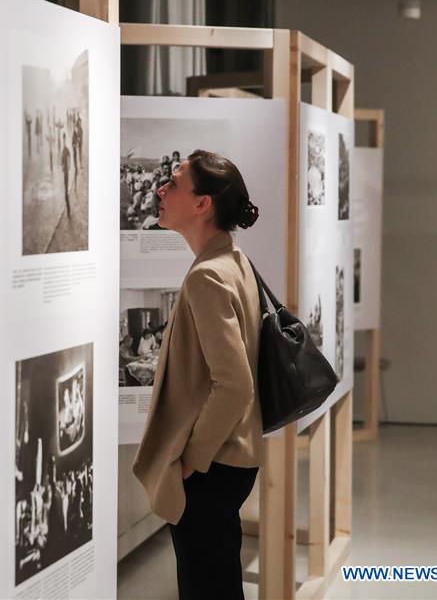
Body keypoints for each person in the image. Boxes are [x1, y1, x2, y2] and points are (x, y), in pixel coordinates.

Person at [132, 150, 263, 600]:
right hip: (233, 457)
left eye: (173, 183)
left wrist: (193, 461)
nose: (160, 190)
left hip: (215, 463)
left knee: (206, 586)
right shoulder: (234, 261)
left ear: (202, 203)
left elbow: (235, 383)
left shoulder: (207, 276)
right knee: (218, 580)